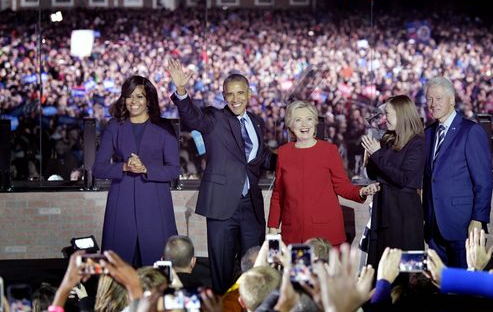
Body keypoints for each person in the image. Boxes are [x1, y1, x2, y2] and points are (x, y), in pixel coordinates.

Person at [167, 59, 277, 294]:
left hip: (252, 207)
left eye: (240, 93)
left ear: (249, 94)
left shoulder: (256, 122)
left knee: (255, 267)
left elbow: (261, 157)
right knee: (222, 270)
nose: (235, 99)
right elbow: (192, 118)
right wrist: (182, 92)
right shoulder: (214, 118)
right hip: (221, 205)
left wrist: (288, 158)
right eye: (230, 94)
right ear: (224, 96)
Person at [93, 75, 180, 266]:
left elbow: (174, 170)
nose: (134, 102)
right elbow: (98, 168)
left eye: (140, 96)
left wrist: (146, 169)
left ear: (148, 100)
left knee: (155, 267)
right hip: (121, 204)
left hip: (155, 205)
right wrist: (123, 166)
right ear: (123, 99)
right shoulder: (115, 126)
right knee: (119, 268)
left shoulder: (164, 128)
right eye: (129, 96)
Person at [267, 100, 379, 246]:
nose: (304, 124)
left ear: (315, 123)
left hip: (325, 236)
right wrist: (272, 229)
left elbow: (342, 186)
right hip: (293, 235)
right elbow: (278, 195)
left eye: (308, 119)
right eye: (298, 120)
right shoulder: (284, 152)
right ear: (290, 125)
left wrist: (362, 191)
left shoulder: (329, 150)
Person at [422, 76, 493, 268]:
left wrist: (478, 219)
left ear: (451, 100)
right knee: (439, 285)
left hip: (463, 226)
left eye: (438, 98)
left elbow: (484, 182)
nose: (432, 104)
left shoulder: (471, 131)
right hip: (433, 226)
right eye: (429, 99)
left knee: (464, 286)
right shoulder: (428, 134)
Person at [361, 95, 426, 270]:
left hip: (403, 217)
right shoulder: (388, 139)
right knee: (382, 271)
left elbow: (404, 178)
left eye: (388, 114)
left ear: (401, 114)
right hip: (383, 214)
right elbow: (375, 174)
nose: (385, 119)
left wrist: (377, 154)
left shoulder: (417, 143)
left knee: (405, 273)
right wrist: (369, 157)